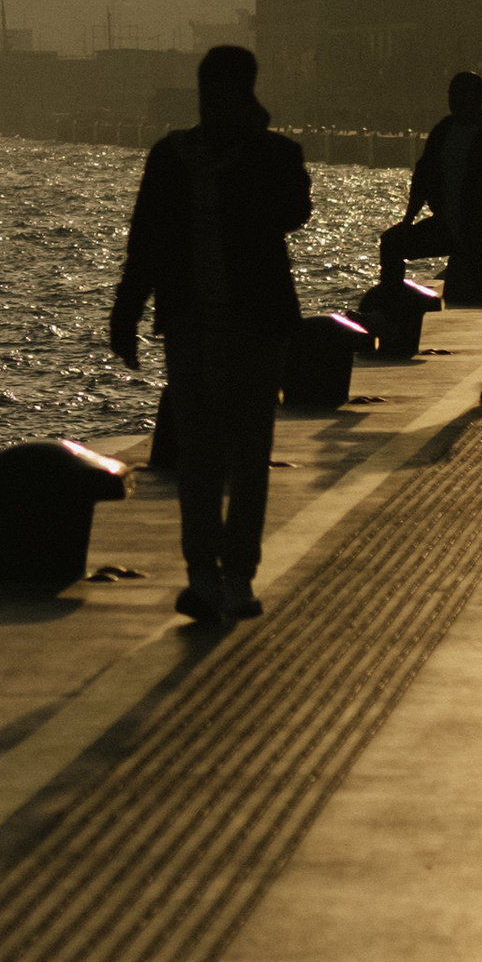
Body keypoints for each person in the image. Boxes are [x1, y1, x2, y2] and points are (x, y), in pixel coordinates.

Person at [108, 42, 312, 627]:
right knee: (208, 454)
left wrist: (250, 152)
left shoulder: (271, 154)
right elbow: (144, 240)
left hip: (250, 323)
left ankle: (235, 575)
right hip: (195, 321)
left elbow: (294, 211)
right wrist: (127, 310)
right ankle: (206, 574)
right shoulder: (172, 157)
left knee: (245, 454)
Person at [400, 68, 482, 408]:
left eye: (460, 96)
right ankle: (392, 318)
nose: (453, 102)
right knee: (392, 245)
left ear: (477, 98)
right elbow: (423, 176)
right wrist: (407, 221)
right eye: (451, 96)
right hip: (446, 224)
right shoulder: (443, 131)